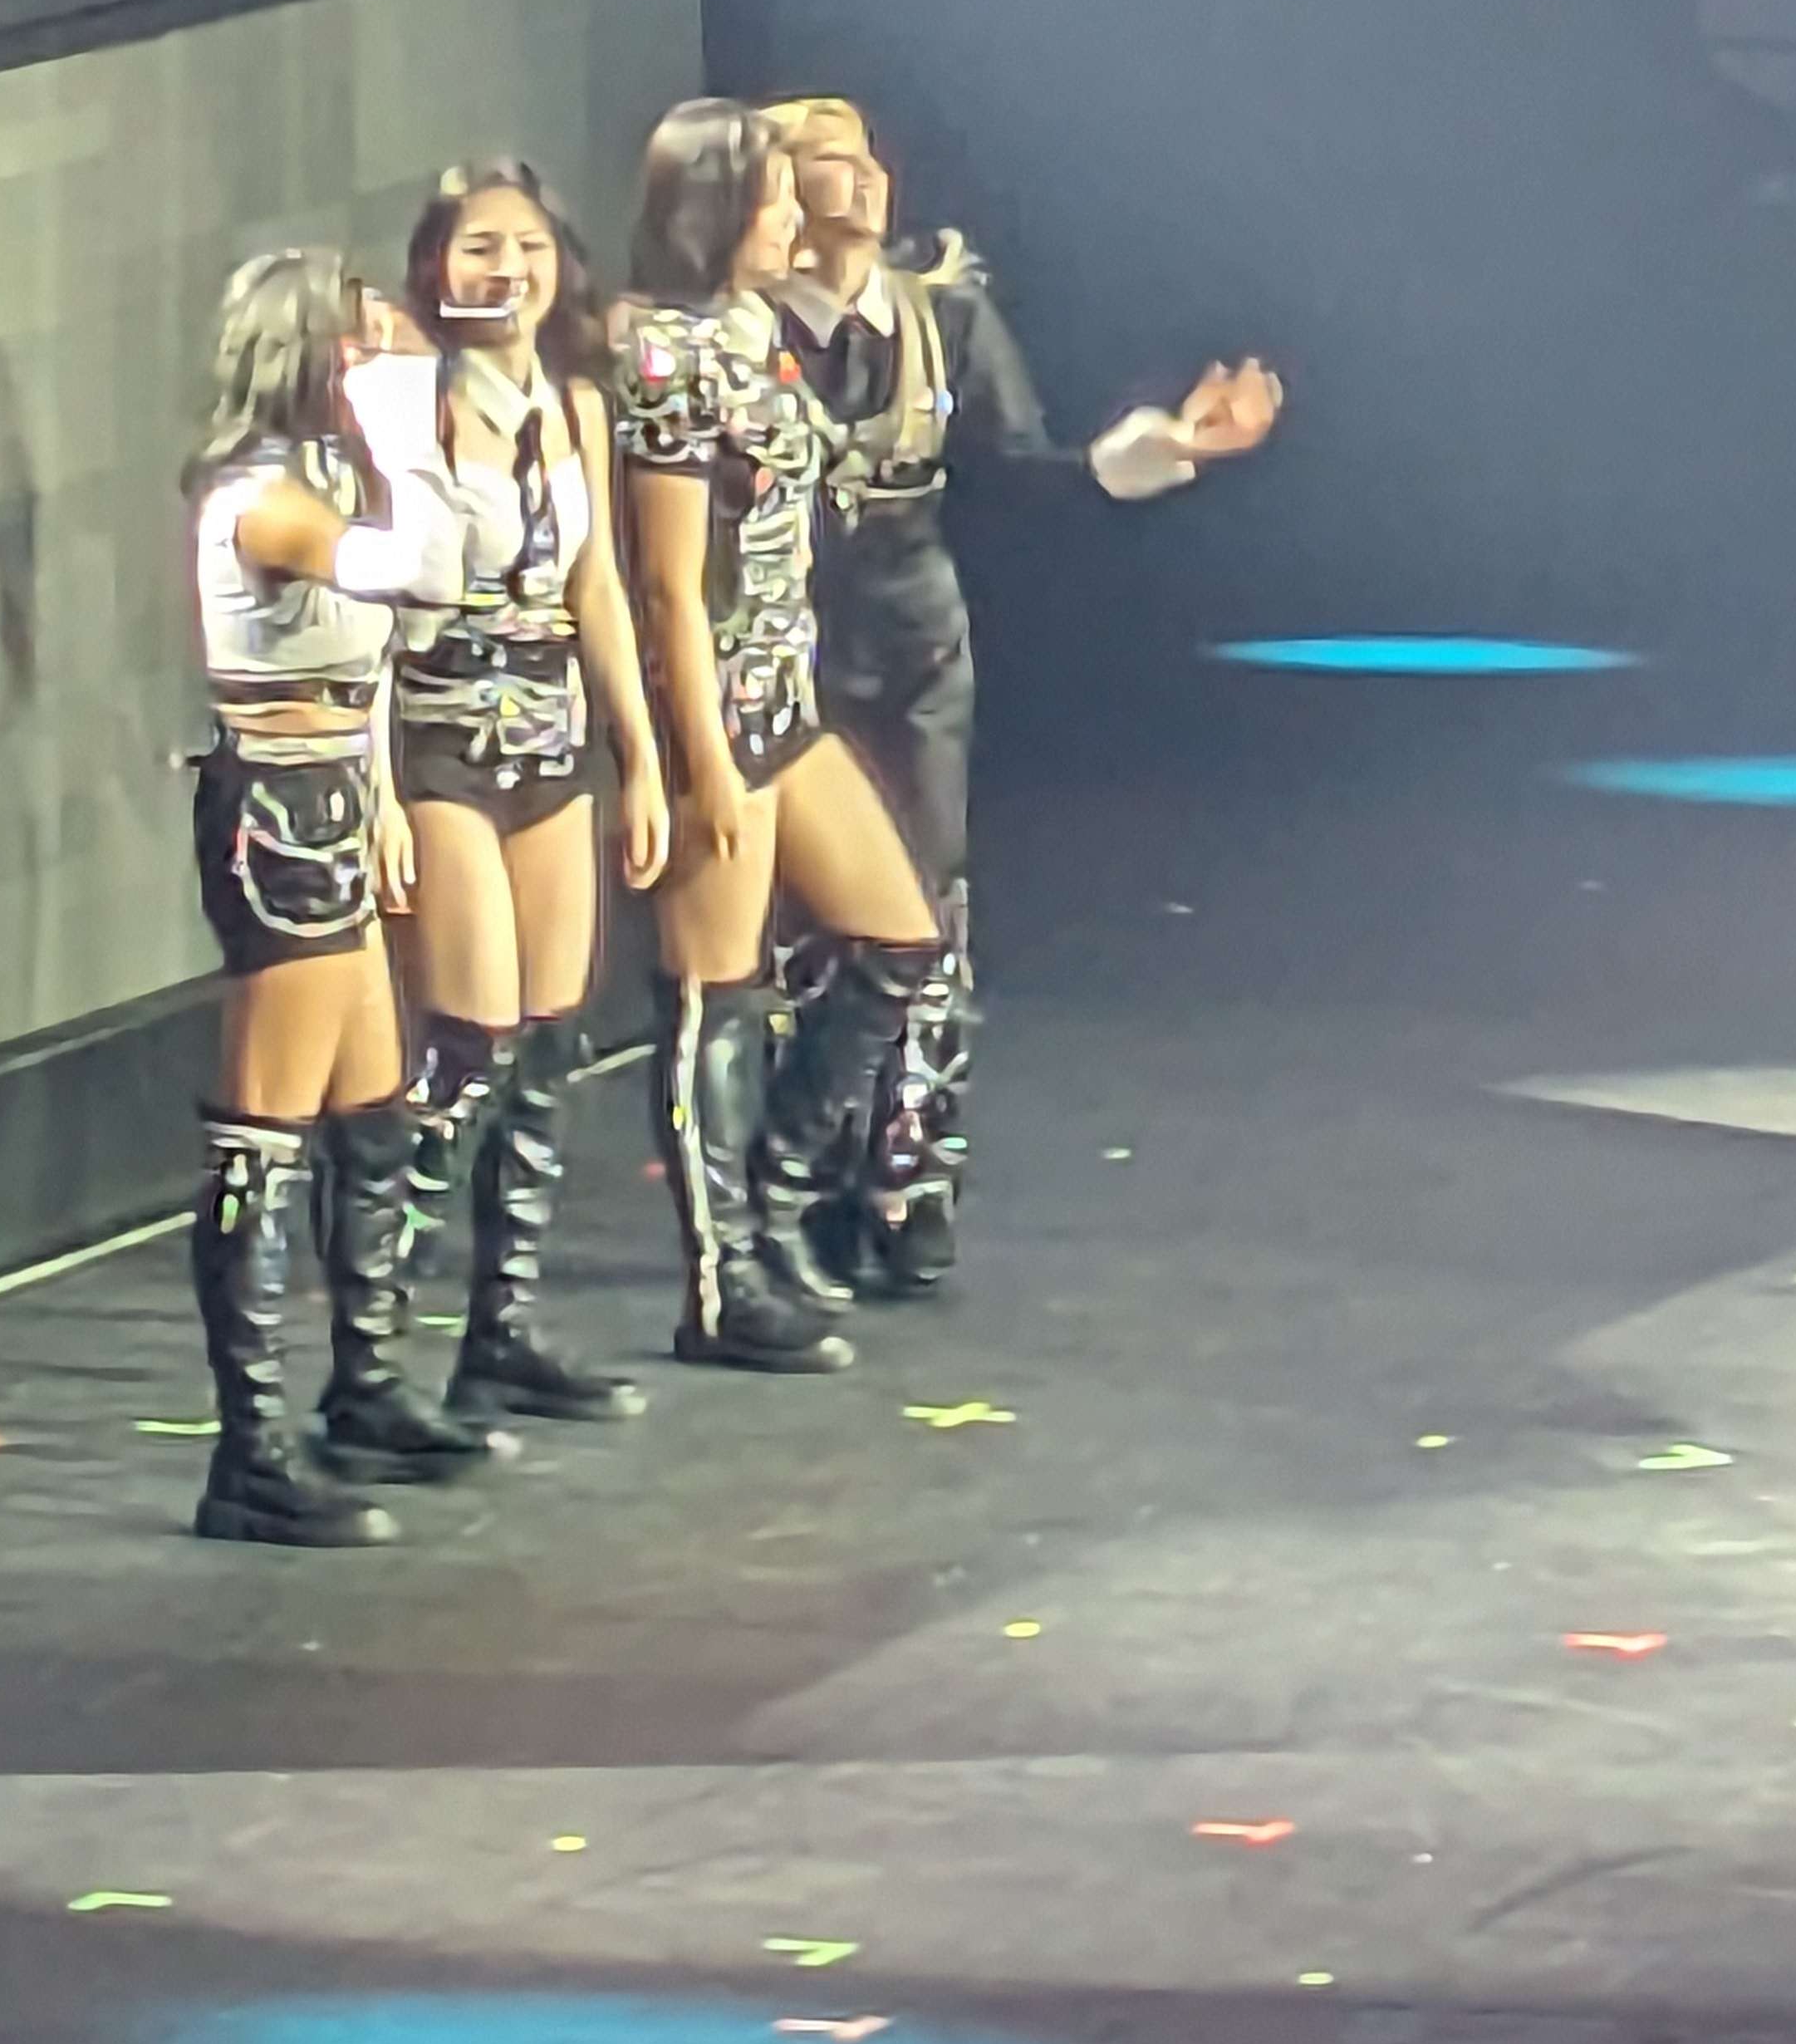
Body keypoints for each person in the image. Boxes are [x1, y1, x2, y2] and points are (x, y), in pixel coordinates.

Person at [764, 96, 1283, 1292]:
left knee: (924, 907)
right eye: (829, 163)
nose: (864, 180)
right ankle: (802, 1181)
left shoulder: (940, 310)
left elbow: (1020, 471)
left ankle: (910, 1177)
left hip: (911, 645)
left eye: (868, 158)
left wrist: (1168, 448)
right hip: (784, 646)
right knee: (804, 925)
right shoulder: (740, 331)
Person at [181, 246, 513, 1547]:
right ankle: (248, 1451)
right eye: (362, 343)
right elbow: (416, 575)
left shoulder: (322, 482)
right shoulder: (262, 499)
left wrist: (379, 798)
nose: (389, 359)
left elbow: (389, 648)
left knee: (374, 1105)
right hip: (276, 812)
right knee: (264, 1128)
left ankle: (366, 1384)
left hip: (331, 798)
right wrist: (410, 437)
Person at [611, 100, 943, 1374]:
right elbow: (666, 584)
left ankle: (773, 1192)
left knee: (899, 938)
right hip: (715, 708)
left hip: (783, 694)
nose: (792, 221)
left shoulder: (753, 339)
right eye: (774, 201)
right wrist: (698, 759)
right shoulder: (669, 358)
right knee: (716, 993)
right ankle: (722, 1279)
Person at [351, 160, 670, 1429]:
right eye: (480, 247)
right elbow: (372, 611)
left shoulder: (574, 407)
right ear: (437, 268)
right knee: (468, 1043)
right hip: (440, 735)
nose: (507, 271)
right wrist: (376, 790)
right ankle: (372, 1355)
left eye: (527, 247)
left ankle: (503, 1331)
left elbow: (599, 590)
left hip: (552, 740)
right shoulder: (406, 406)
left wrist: (640, 754)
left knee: (548, 1041)